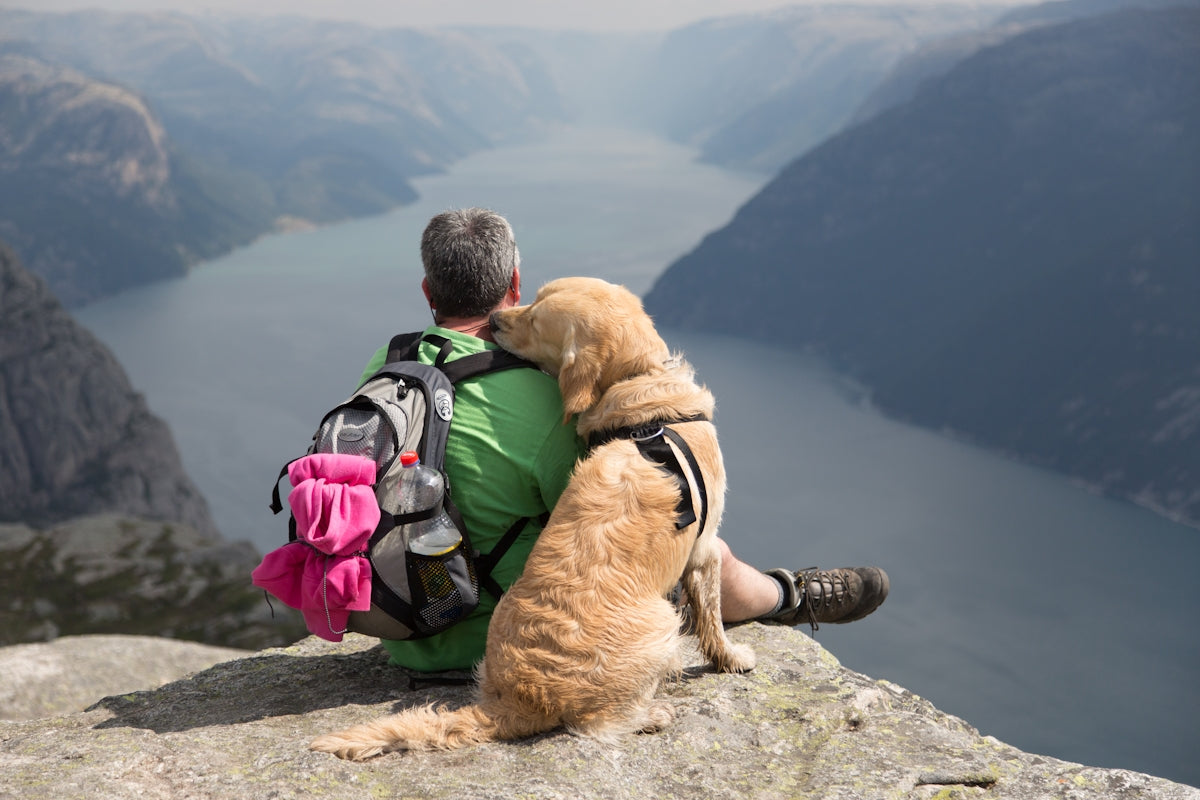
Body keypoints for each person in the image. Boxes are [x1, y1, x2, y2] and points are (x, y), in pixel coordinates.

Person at [359, 207, 888, 672]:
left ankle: (784, 593)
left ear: (428, 292)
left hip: (405, 628)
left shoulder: (383, 372)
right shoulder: (548, 403)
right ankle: (787, 596)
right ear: (515, 284)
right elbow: (609, 526)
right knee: (696, 539)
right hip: (521, 643)